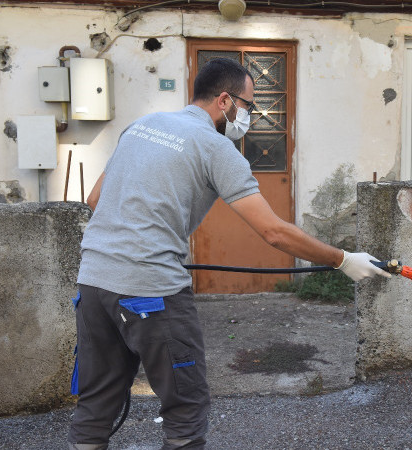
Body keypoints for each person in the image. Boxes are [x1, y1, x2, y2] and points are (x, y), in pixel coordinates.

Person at [68, 57, 390, 450]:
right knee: (185, 406)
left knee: (97, 400)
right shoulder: (216, 148)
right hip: (151, 291)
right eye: (249, 106)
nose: (249, 116)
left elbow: (95, 198)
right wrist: (341, 259)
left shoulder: (143, 126)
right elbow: (273, 232)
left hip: (93, 282)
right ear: (225, 101)